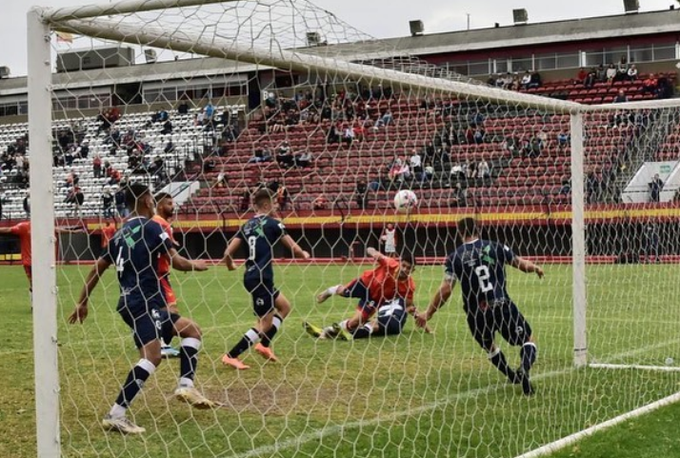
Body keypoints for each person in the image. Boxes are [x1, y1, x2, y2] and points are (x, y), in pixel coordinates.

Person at [68, 183, 216, 435]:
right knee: (153, 356)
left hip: (132, 302)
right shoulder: (152, 227)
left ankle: (185, 385)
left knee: (191, 331)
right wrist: (197, 264)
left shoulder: (118, 234)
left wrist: (83, 301)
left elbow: (97, 269)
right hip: (145, 301)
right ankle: (117, 413)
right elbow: (177, 262)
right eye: (151, 198)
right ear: (147, 201)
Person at [415, 218, 544, 396]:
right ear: (479, 229)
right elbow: (521, 264)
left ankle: (511, 375)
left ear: (460, 233)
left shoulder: (455, 257)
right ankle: (524, 368)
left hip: (476, 313)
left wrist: (428, 313)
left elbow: (446, 289)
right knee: (528, 338)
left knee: (489, 346)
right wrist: (535, 267)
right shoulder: (496, 246)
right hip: (501, 304)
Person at [221, 189, 310, 370]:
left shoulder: (246, 226)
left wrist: (230, 265)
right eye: (275, 204)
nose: (277, 207)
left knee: (284, 306)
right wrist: (304, 254)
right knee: (264, 323)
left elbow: (227, 253)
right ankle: (231, 355)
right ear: (267, 205)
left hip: (254, 276)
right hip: (260, 277)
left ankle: (264, 345)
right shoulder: (273, 224)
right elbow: (293, 246)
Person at [312, 248, 416, 337]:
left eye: (408, 268)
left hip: (374, 299)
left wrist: (420, 317)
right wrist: (373, 252)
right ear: (400, 262)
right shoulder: (390, 263)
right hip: (365, 283)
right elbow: (370, 249)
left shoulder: (409, 287)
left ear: (412, 271)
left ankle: (329, 330)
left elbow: (408, 306)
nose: (404, 269)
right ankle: (331, 290)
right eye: (403, 265)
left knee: (356, 322)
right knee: (345, 292)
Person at [153, 192, 183, 358]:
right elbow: (169, 254)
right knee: (170, 310)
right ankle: (163, 345)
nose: (173, 207)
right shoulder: (162, 223)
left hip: (155, 273)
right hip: (160, 273)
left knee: (160, 310)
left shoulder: (154, 222)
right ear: (160, 206)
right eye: (170, 204)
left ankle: (161, 343)